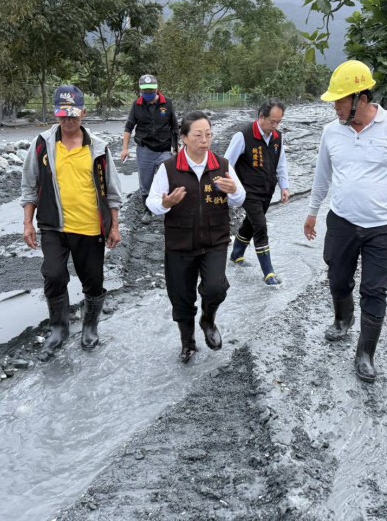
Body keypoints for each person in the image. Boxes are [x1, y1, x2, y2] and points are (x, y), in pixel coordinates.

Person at [303, 60, 387, 383]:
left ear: (360, 98)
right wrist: (312, 211)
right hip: (342, 222)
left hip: (383, 226)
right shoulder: (331, 132)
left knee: (374, 289)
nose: (335, 106)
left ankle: (365, 353)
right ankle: (343, 319)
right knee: (337, 279)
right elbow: (322, 176)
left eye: (340, 100)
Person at [21, 85, 123, 354]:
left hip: (90, 227)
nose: (68, 119)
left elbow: (112, 190)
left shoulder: (98, 148)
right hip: (53, 225)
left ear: (83, 113)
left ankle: (90, 326)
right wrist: (27, 223)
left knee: (93, 281)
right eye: (63, 114)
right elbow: (29, 186)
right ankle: (59, 328)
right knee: (53, 275)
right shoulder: (42, 144)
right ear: (56, 114)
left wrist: (114, 224)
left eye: (74, 114)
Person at [146, 111, 246, 363]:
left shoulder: (221, 166)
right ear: (184, 138)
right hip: (179, 243)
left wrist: (234, 190)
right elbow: (152, 201)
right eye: (198, 135)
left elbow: (239, 199)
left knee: (215, 287)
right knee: (181, 296)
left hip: (215, 241)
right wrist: (166, 202)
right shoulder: (168, 168)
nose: (205, 140)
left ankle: (208, 319)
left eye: (208, 135)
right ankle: (187, 342)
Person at [224, 98, 290, 286]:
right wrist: (232, 189)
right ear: (261, 117)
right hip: (247, 191)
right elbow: (226, 164)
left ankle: (236, 254)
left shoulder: (277, 138)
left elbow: (281, 164)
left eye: (279, 122)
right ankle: (268, 273)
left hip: (267, 190)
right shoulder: (243, 136)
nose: (275, 126)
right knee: (260, 225)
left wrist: (284, 187)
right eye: (272, 121)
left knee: (251, 223)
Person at [121, 73, 179, 224]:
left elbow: (175, 127)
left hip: (165, 149)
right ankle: (148, 210)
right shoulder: (137, 105)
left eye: (150, 91)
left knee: (168, 178)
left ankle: (168, 208)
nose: (148, 94)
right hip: (145, 149)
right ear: (140, 91)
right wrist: (125, 148)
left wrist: (177, 147)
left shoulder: (167, 104)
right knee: (145, 182)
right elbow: (128, 127)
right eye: (145, 91)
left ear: (157, 89)